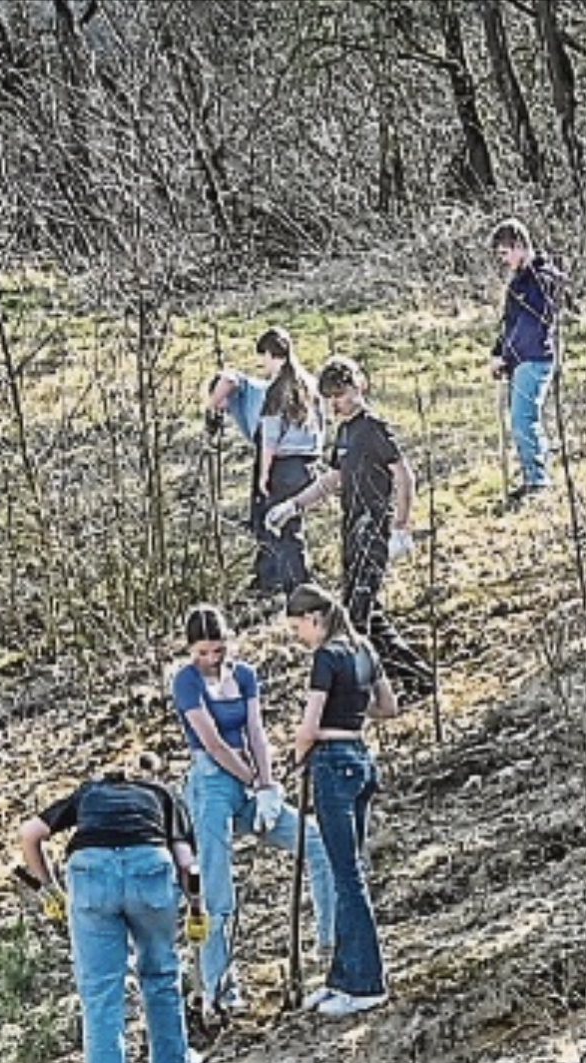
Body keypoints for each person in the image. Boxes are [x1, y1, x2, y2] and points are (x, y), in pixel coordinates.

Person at [15, 757, 206, 1063]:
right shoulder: (164, 794)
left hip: (90, 873)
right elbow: (187, 862)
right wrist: (196, 909)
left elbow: (30, 834)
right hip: (149, 867)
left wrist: (50, 889)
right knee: (161, 971)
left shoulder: (89, 793)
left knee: (101, 991)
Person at [172, 604, 335, 1019]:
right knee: (216, 893)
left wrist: (267, 785)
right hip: (211, 784)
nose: (212, 658)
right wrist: (250, 779)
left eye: (218, 649)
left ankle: (331, 944)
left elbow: (256, 733)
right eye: (204, 652)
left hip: (249, 779)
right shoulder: (186, 682)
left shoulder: (244, 675)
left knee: (313, 840)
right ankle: (219, 989)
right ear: (192, 650)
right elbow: (212, 741)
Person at [268, 356, 436, 698]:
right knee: (366, 613)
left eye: (340, 395)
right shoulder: (344, 432)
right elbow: (333, 479)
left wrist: (401, 528)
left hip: (373, 528)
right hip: (350, 529)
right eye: (329, 397)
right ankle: (415, 680)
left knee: (358, 616)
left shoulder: (373, 428)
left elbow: (404, 475)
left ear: (358, 387)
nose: (336, 403)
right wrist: (293, 505)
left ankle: (375, 690)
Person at [284, 582, 402, 1017]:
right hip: (361, 758)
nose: (300, 637)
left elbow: (308, 725)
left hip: (332, 763)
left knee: (347, 877)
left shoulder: (326, 655)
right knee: (346, 872)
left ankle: (367, 982)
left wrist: (295, 760)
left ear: (315, 619)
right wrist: (350, 709)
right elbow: (387, 707)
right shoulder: (364, 649)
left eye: (299, 628)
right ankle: (340, 978)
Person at [489, 217, 569, 500]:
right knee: (520, 420)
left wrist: (507, 357)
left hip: (534, 357)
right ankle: (531, 478)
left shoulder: (540, 279)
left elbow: (530, 324)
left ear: (520, 246)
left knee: (524, 419)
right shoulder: (518, 282)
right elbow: (509, 324)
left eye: (505, 252)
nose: (503, 259)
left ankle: (538, 481)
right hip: (519, 359)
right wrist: (497, 353)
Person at [246, 328, 320, 594]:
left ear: (269, 354)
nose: (262, 364)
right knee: (295, 527)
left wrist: (264, 475)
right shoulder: (310, 385)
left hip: (283, 466)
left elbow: (270, 438)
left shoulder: (277, 391)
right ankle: (299, 583)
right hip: (307, 465)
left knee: (281, 529)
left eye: (262, 357)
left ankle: (297, 587)